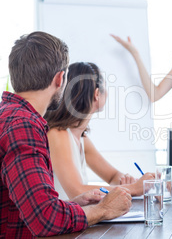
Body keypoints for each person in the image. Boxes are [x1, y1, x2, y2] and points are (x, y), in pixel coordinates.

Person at [0, 32, 132, 237]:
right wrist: (102, 210)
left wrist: (70, 205)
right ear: (60, 79)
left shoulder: (8, 115)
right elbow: (45, 219)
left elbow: (27, 208)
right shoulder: (23, 126)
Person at [44, 62, 155, 200]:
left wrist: (139, 183)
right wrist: (133, 189)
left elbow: (112, 176)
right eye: (105, 87)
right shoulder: (57, 135)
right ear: (97, 94)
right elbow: (78, 191)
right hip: (63, 220)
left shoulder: (81, 138)